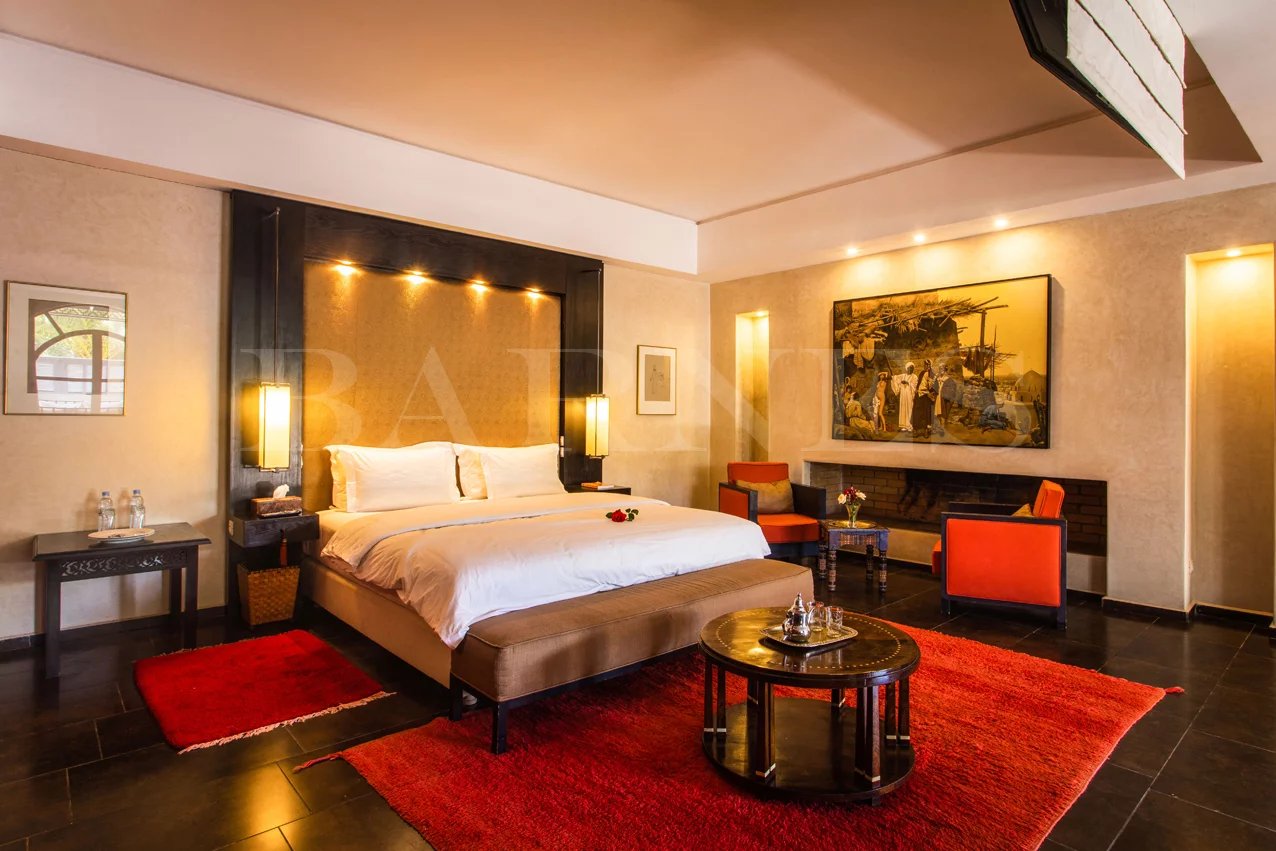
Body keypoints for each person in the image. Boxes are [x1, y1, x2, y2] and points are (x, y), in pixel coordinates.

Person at [913, 359, 937, 437]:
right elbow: (919, 383)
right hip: (919, 395)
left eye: (928, 365)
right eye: (925, 365)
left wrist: (930, 393)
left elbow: (933, 387)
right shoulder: (921, 373)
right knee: (917, 413)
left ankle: (926, 431)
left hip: (926, 396)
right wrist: (916, 390)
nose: (927, 366)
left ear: (930, 366)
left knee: (926, 413)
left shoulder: (932, 375)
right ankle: (916, 430)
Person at [891, 362, 918, 432]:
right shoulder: (903, 376)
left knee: (909, 409)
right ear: (906, 368)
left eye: (912, 368)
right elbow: (895, 378)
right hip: (903, 395)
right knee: (903, 408)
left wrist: (907, 383)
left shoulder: (914, 376)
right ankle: (904, 425)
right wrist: (893, 377)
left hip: (909, 395)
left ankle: (910, 425)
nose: (911, 369)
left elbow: (915, 386)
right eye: (909, 368)